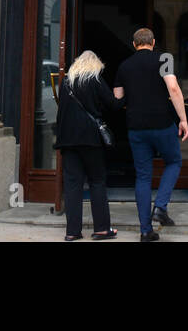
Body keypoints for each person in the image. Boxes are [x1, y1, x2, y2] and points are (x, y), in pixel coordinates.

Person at [114, 27, 188, 242]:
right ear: (153, 42)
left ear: (134, 43)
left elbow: (118, 98)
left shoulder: (124, 66)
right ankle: (161, 208)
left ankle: (146, 231)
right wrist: (183, 119)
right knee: (173, 161)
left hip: (136, 127)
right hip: (162, 123)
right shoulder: (164, 58)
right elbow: (173, 89)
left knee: (143, 176)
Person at [54, 50, 120, 241]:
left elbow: (61, 112)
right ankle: (101, 229)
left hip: (68, 140)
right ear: (95, 66)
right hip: (90, 139)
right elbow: (113, 105)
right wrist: (123, 98)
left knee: (73, 185)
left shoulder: (66, 83)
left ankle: (72, 232)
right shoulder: (95, 80)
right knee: (97, 181)